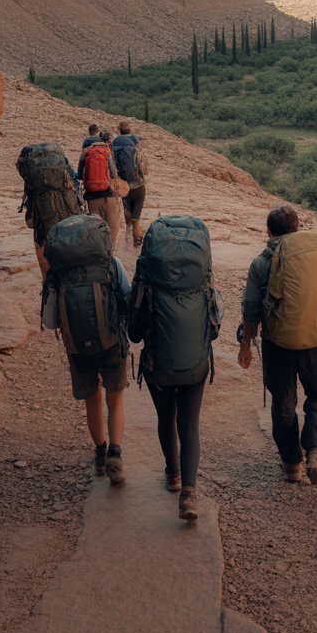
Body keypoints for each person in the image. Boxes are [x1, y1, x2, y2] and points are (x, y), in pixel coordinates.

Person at [238, 205, 317, 485]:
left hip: (279, 345)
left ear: (269, 231)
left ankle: (292, 465)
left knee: (284, 404)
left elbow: (250, 307)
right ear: (297, 229)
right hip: (316, 342)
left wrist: (246, 344)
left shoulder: (262, 263)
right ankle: (314, 452)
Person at [128, 215, 221, 521]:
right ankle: (189, 495)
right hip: (195, 363)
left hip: (159, 363)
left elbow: (134, 332)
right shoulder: (202, 279)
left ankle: (173, 475)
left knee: (166, 418)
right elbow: (215, 326)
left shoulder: (147, 281)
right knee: (190, 425)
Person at [42, 214, 130, 484]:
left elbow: (49, 321)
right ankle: (116, 454)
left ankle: (100, 454)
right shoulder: (111, 265)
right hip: (112, 343)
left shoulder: (58, 274)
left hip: (78, 349)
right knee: (115, 400)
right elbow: (126, 297)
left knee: (93, 399)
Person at [15, 142, 82, 278]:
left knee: (43, 258)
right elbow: (75, 183)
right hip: (67, 218)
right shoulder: (62, 167)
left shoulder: (33, 174)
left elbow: (28, 198)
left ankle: (46, 283)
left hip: (42, 222)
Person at [77, 129, 122, 250]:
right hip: (109, 196)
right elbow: (113, 173)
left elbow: (79, 176)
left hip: (92, 198)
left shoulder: (85, 153)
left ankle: (98, 252)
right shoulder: (106, 151)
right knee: (113, 226)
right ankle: (111, 253)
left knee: (96, 228)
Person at [112, 120, 147, 247]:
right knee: (136, 217)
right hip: (137, 184)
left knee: (127, 207)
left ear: (119, 130)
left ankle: (127, 235)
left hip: (122, 184)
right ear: (129, 130)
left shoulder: (114, 144)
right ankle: (137, 245)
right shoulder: (133, 144)